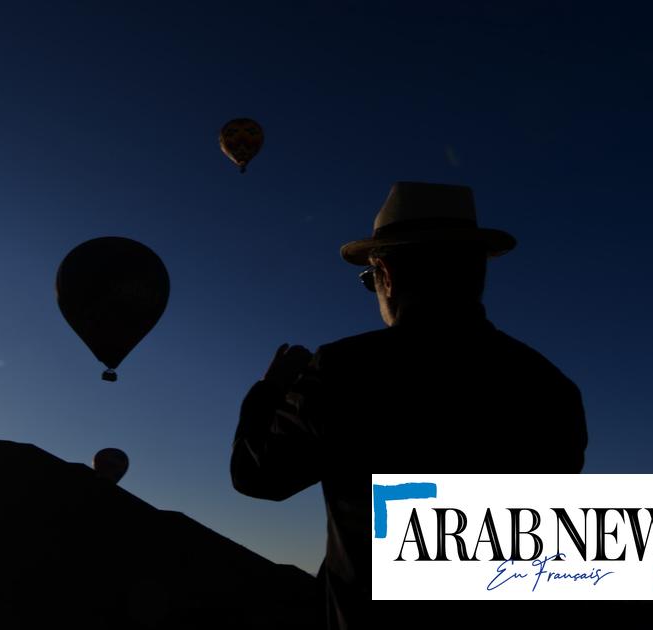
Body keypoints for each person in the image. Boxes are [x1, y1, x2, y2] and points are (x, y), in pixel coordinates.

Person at [230, 181, 588, 629]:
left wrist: (269, 390)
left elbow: (257, 475)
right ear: (478, 274)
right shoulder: (550, 387)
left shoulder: (344, 369)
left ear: (387, 275)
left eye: (368, 280)